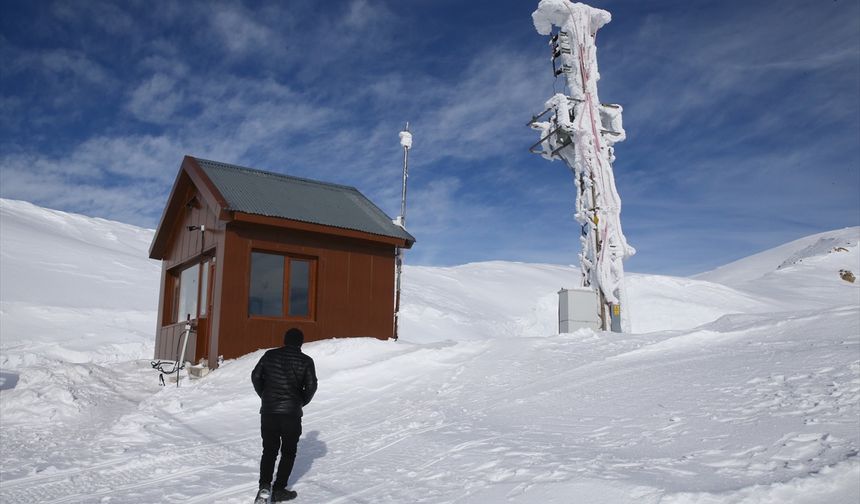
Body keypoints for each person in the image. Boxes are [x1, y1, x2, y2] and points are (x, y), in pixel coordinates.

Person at [251, 328, 318, 503]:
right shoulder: (306, 361)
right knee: (288, 452)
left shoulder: (269, 356)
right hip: (291, 414)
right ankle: (279, 489)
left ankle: (264, 487)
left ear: (285, 340)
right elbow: (311, 387)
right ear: (300, 343)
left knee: (269, 450)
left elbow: (255, 377)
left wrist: (265, 396)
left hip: (269, 412)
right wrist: (299, 402)